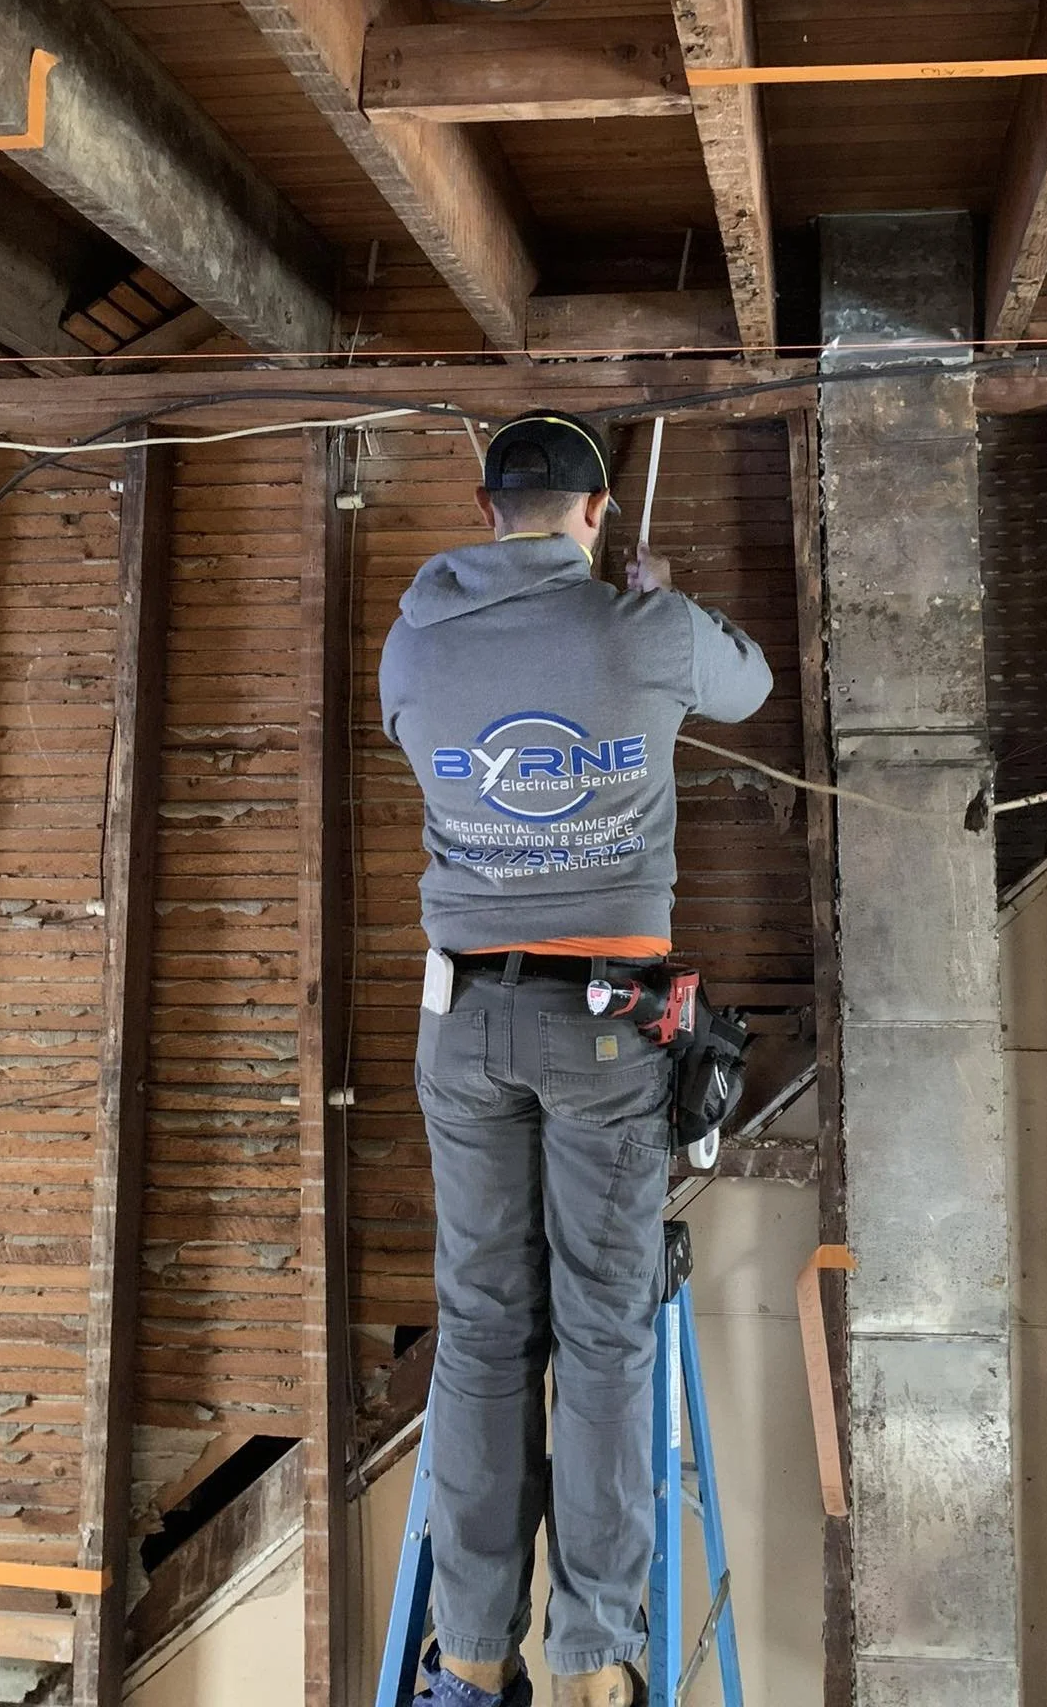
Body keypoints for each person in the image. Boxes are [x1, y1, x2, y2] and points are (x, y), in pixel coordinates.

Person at [379, 411, 772, 1707]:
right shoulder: (641, 631)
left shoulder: (418, 635)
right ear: (596, 515)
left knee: (486, 1332)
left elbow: (410, 730)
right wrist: (662, 601)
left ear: (489, 507)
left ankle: (475, 1654)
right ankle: (596, 1658)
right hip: (601, 1023)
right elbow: (749, 686)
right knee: (601, 1334)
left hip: (460, 1019)